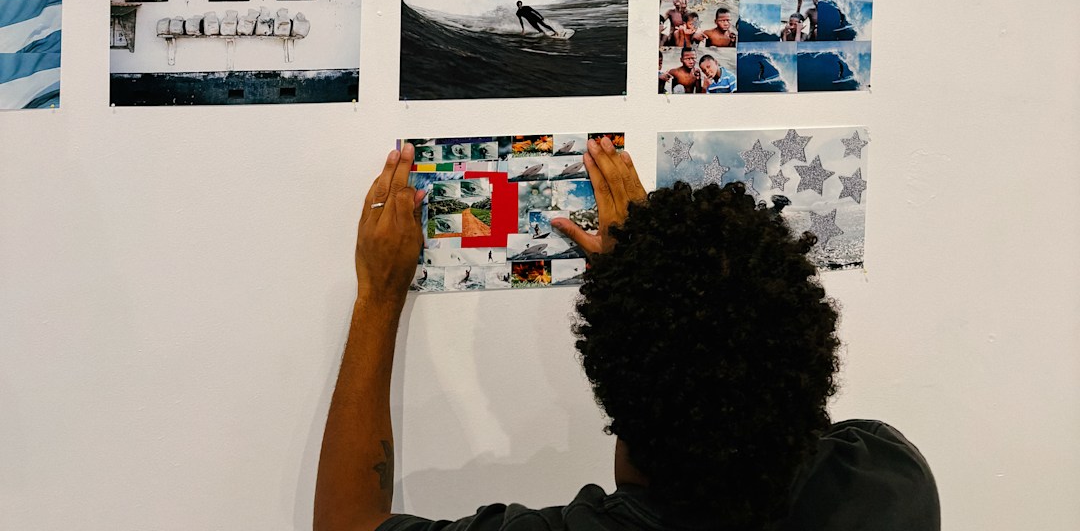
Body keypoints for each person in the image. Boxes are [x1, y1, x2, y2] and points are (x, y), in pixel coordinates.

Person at [314, 141, 941, 531]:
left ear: (611, 389)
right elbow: (738, 371)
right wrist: (649, 280)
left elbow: (345, 524)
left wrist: (379, 296)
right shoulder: (887, 482)